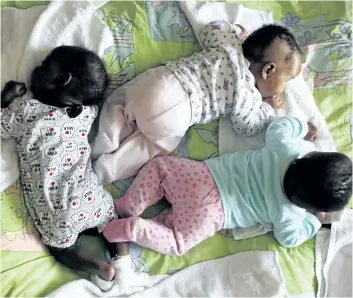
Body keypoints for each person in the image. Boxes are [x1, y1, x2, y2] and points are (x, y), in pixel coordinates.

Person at [91, 22, 303, 184]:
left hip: (163, 80)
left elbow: (212, 28)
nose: (284, 88)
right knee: (148, 147)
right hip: (179, 114)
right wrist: (270, 108)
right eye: (286, 81)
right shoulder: (247, 96)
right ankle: (104, 170)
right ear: (268, 70)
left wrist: (238, 31)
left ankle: (102, 143)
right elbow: (247, 126)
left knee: (119, 102)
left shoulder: (228, 46)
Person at [103, 117, 352, 255]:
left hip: (202, 178)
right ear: (306, 205)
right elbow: (288, 239)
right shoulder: (289, 215)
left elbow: (280, 126)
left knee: (159, 168)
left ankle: (130, 204)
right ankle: (136, 229)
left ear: (309, 156)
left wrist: (303, 128)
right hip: (212, 216)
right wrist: (314, 222)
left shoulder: (288, 149)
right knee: (177, 241)